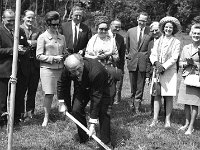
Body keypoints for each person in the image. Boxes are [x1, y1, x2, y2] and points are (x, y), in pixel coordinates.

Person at [57, 54, 114, 150]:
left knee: (103, 112)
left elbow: (96, 98)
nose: (76, 73)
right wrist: (62, 103)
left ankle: (106, 143)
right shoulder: (68, 68)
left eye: (78, 69)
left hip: (104, 87)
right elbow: (62, 83)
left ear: (82, 63)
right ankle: (84, 138)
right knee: (76, 110)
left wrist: (92, 123)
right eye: (73, 71)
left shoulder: (97, 71)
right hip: (84, 85)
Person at [149, 16, 181, 128]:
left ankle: (167, 120)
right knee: (157, 95)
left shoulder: (176, 42)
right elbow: (153, 54)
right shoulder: (158, 40)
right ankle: (155, 119)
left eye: (170, 27)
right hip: (157, 71)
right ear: (163, 28)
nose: (168, 29)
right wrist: (156, 63)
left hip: (169, 72)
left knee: (168, 96)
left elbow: (175, 57)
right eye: (166, 27)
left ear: (173, 29)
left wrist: (164, 66)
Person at [36, 11, 67, 127]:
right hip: (47, 69)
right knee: (49, 94)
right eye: (53, 25)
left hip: (60, 69)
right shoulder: (42, 37)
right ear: (47, 24)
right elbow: (38, 55)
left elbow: (64, 52)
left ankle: (63, 113)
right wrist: (53, 58)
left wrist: (65, 55)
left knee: (62, 93)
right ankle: (46, 117)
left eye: (57, 24)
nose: (55, 27)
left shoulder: (62, 37)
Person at [0, 9, 29, 126]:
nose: (12, 23)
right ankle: (2, 121)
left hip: (19, 70)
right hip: (4, 70)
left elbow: (26, 46)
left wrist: (23, 50)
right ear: (2, 19)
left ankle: (16, 119)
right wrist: (13, 50)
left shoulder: (20, 30)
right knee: (2, 97)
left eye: (14, 20)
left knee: (19, 96)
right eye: (9, 20)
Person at [126, 12, 152, 113]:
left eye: (144, 21)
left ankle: (137, 105)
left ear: (147, 21)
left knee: (140, 86)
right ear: (137, 19)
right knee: (133, 85)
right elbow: (128, 47)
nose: (142, 22)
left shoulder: (150, 32)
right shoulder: (130, 31)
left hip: (143, 62)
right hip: (132, 62)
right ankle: (131, 104)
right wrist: (130, 57)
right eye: (141, 20)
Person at [177, 24, 200, 135]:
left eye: (199, 34)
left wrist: (195, 64)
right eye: (194, 33)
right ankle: (186, 123)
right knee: (186, 102)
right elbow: (180, 62)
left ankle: (191, 126)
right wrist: (186, 63)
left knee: (194, 103)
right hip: (186, 77)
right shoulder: (186, 47)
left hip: (196, 78)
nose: (196, 35)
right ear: (191, 34)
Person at [20, 10, 41, 120]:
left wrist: (29, 43)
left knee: (32, 90)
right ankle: (20, 112)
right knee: (21, 90)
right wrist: (32, 42)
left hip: (35, 65)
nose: (30, 20)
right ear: (23, 17)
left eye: (32, 18)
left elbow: (41, 42)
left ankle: (30, 112)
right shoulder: (18, 29)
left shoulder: (37, 31)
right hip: (22, 65)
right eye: (28, 17)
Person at [146, 21, 163, 115]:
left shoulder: (165, 40)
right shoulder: (150, 43)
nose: (155, 32)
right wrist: (147, 75)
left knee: (163, 92)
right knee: (154, 90)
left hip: (164, 70)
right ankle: (153, 111)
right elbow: (148, 59)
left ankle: (162, 111)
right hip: (153, 70)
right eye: (153, 31)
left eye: (157, 30)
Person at [108, 19, 126, 104]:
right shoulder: (104, 34)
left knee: (115, 86)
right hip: (104, 64)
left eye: (119, 27)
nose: (118, 29)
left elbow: (122, 56)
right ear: (111, 25)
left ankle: (113, 103)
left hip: (116, 65)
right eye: (116, 27)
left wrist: (121, 69)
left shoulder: (120, 38)